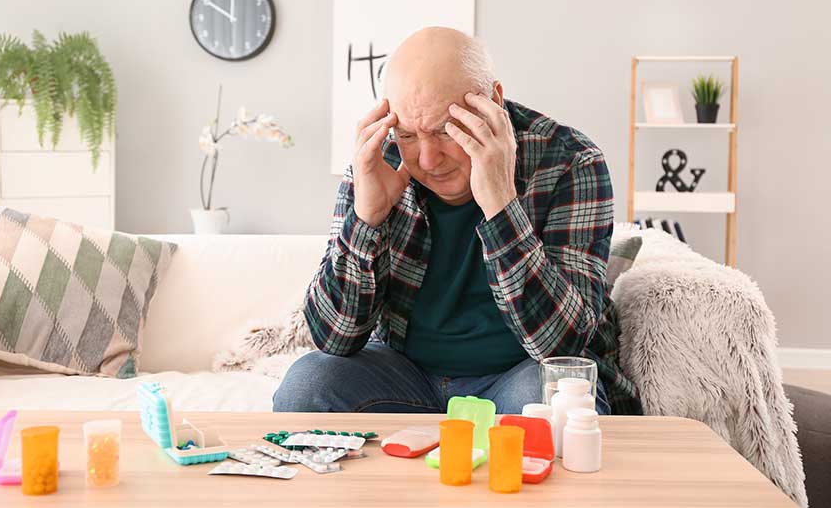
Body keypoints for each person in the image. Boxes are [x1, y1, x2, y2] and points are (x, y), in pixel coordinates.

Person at [274, 27, 642, 415]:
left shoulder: (570, 161)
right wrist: (366, 219)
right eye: (409, 135)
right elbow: (333, 339)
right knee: (307, 385)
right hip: (406, 374)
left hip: (518, 375)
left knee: (552, 406)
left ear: (493, 102)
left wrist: (501, 204)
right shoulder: (380, 162)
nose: (429, 160)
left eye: (445, 131)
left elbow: (561, 346)